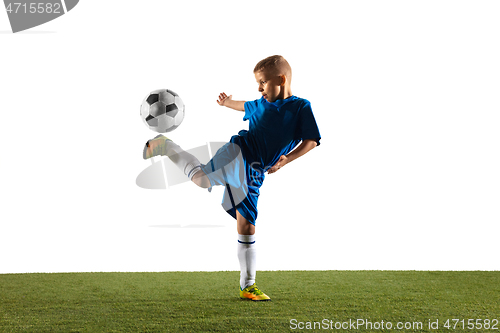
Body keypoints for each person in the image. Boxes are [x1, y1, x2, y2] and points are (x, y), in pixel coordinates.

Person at [143, 55, 321, 301]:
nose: (259, 88)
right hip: (238, 152)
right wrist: (227, 103)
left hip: (255, 173)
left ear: (281, 79)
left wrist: (287, 159)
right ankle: (167, 146)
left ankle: (248, 286)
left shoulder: (301, 107)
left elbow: (311, 141)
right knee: (203, 180)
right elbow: (245, 104)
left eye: (262, 82)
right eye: (258, 83)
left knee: (247, 225)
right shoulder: (260, 103)